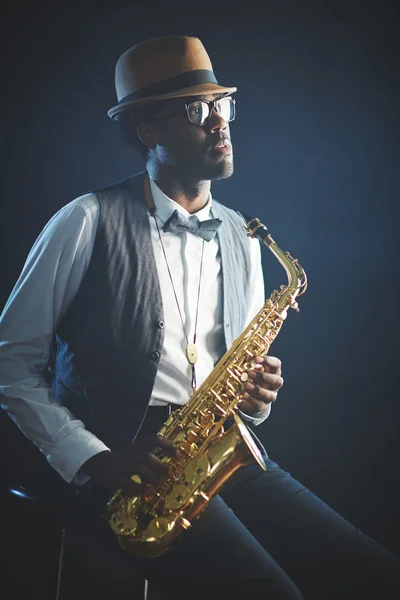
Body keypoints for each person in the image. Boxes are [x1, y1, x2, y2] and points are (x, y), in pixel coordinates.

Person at [0, 35, 399, 600]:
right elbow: (10, 363)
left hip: (213, 452)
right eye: (196, 110)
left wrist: (256, 397)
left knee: (372, 572)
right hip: (127, 468)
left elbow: (238, 375)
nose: (220, 124)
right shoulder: (84, 220)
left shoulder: (243, 236)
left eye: (223, 106)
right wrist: (92, 458)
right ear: (148, 130)